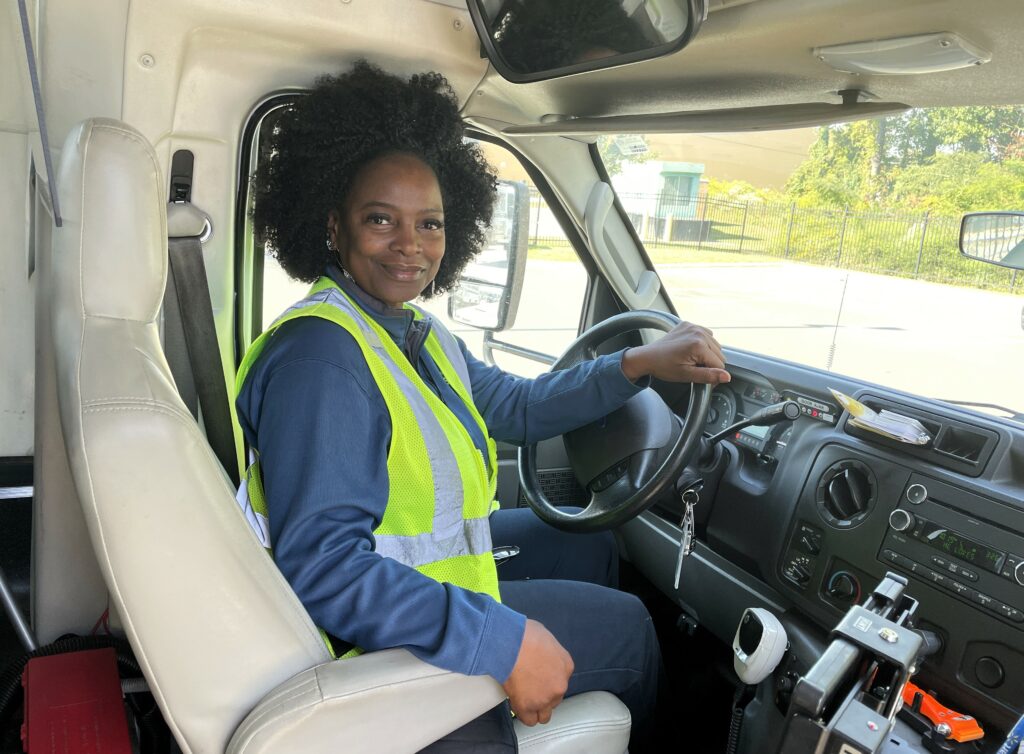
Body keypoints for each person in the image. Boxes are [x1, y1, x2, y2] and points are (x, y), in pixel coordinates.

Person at [236, 61, 730, 751]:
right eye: (380, 219)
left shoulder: (413, 333)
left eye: (429, 223)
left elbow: (519, 408)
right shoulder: (322, 358)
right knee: (632, 627)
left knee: (580, 540)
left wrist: (636, 363)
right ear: (332, 226)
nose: (410, 245)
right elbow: (324, 568)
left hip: (419, 587)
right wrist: (501, 640)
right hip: (370, 641)